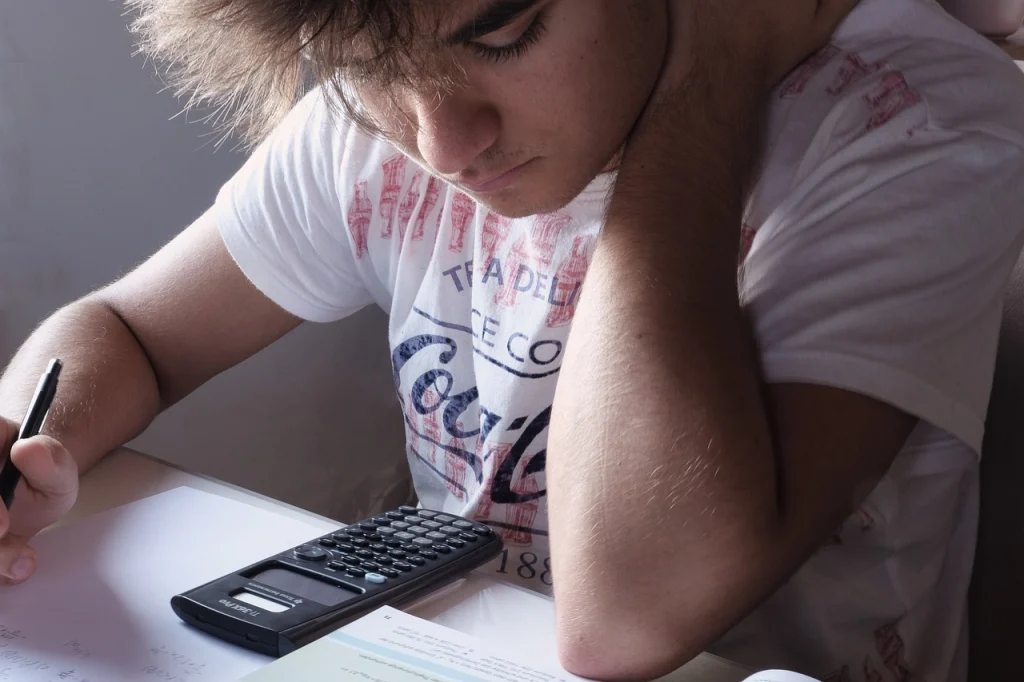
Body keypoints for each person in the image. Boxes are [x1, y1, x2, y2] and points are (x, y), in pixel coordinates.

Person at [2, 0, 1023, 679]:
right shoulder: (384, 101)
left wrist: (702, 81)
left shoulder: (911, 125)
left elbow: (625, 620)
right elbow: (128, 328)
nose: (441, 142)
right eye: (362, 69)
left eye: (502, 37)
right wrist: (22, 435)